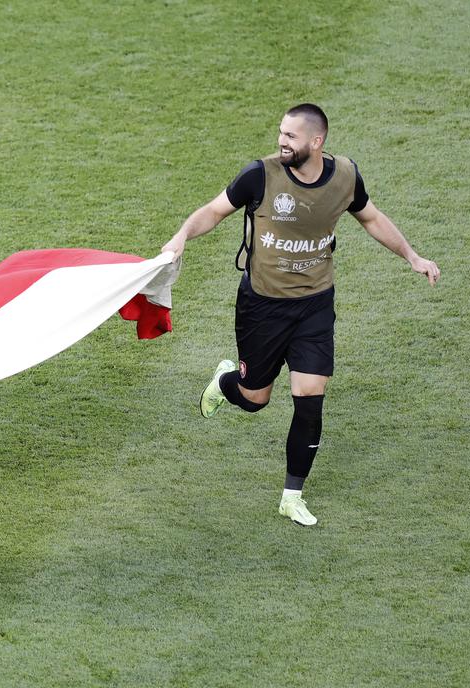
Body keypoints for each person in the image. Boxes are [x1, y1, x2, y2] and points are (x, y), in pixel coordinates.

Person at [161, 103, 440, 526]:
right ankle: (225, 381)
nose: (281, 141)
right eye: (280, 133)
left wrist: (412, 256)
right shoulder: (261, 174)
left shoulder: (345, 176)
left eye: (291, 136)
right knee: (255, 399)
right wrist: (181, 235)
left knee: (310, 400)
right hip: (263, 307)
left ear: (316, 141)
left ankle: (292, 496)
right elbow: (215, 210)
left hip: (314, 305)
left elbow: (372, 218)